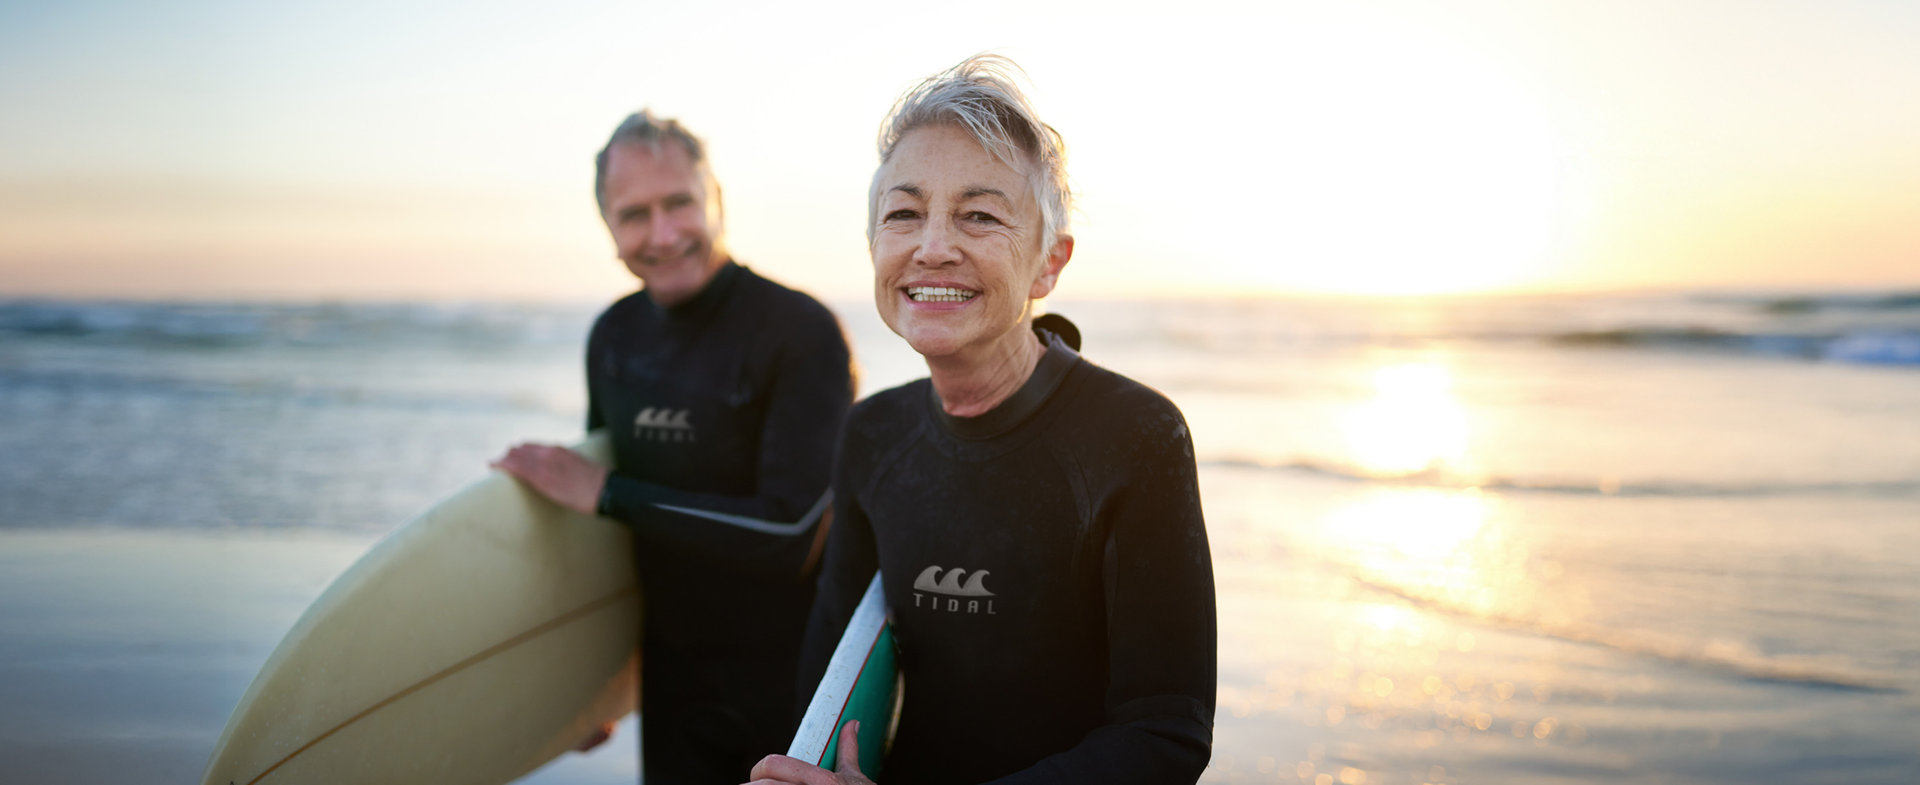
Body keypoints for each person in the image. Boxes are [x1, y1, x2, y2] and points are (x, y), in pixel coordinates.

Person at [747, 56, 1216, 785]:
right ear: (875, 247)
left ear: (1047, 265)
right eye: (904, 213)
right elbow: (832, 678)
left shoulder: (1136, 436)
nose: (932, 246)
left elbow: (1166, 734)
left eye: (979, 215)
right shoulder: (873, 434)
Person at [494, 111, 855, 785]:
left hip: (795, 688)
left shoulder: (799, 331)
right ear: (608, 227)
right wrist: (586, 687)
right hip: (672, 691)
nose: (662, 234)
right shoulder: (615, 338)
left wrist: (606, 491)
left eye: (679, 203)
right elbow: (611, 545)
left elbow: (791, 532)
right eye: (634, 215)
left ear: (715, 200)